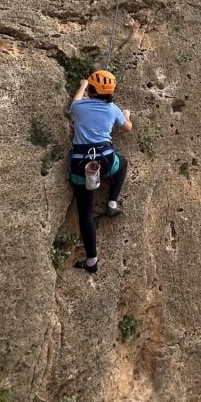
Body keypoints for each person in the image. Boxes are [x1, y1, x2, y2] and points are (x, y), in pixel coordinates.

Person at [68, 70, 132, 274]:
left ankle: (92, 261)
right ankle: (112, 203)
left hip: (81, 166)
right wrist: (126, 116)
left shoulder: (79, 107)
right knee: (123, 163)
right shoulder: (113, 109)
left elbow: (76, 100)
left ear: (92, 90)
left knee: (85, 212)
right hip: (105, 162)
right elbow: (128, 128)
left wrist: (82, 85)